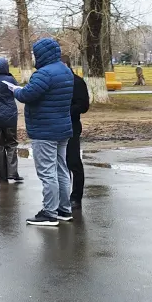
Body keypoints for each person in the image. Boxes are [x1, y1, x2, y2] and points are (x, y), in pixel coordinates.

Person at [11, 38, 75, 227]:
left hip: (44, 130)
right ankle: (64, 209)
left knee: (47, 172)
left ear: (41, 54)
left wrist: (15, 90)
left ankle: (49, 213)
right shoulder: (65, 70)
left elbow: (26, 95)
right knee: (61, 169)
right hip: (62, 127)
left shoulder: (44, 74)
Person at [65, 58, 90, 209]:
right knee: (59, 164)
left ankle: (76, 197)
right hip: (55, 126)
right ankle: (62, 195)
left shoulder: (77, 82)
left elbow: (83, 105)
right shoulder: (55, 81)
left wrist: (66, 111)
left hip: (72, 125)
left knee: (73, 161)